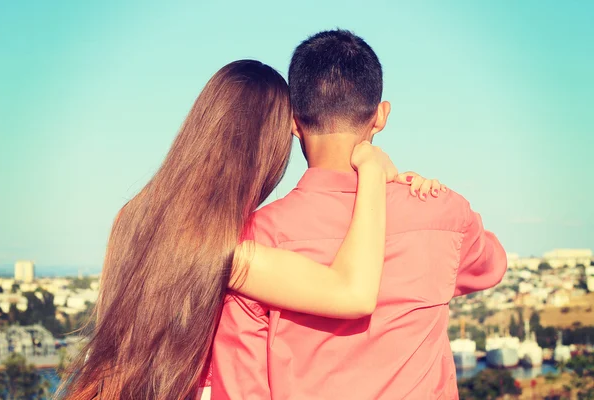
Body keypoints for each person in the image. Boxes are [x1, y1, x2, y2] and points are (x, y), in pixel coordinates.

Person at [59, 60, 443, 400]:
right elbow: (353, 294)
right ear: (271, 145)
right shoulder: (226, 251)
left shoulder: (130, 218)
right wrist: (373, 171)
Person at [210, 30, 507, 400]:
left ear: (293, 122)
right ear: (381, 115)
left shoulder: (250, 239)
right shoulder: (442, 211)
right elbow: (492, 264)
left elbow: (241, 385)